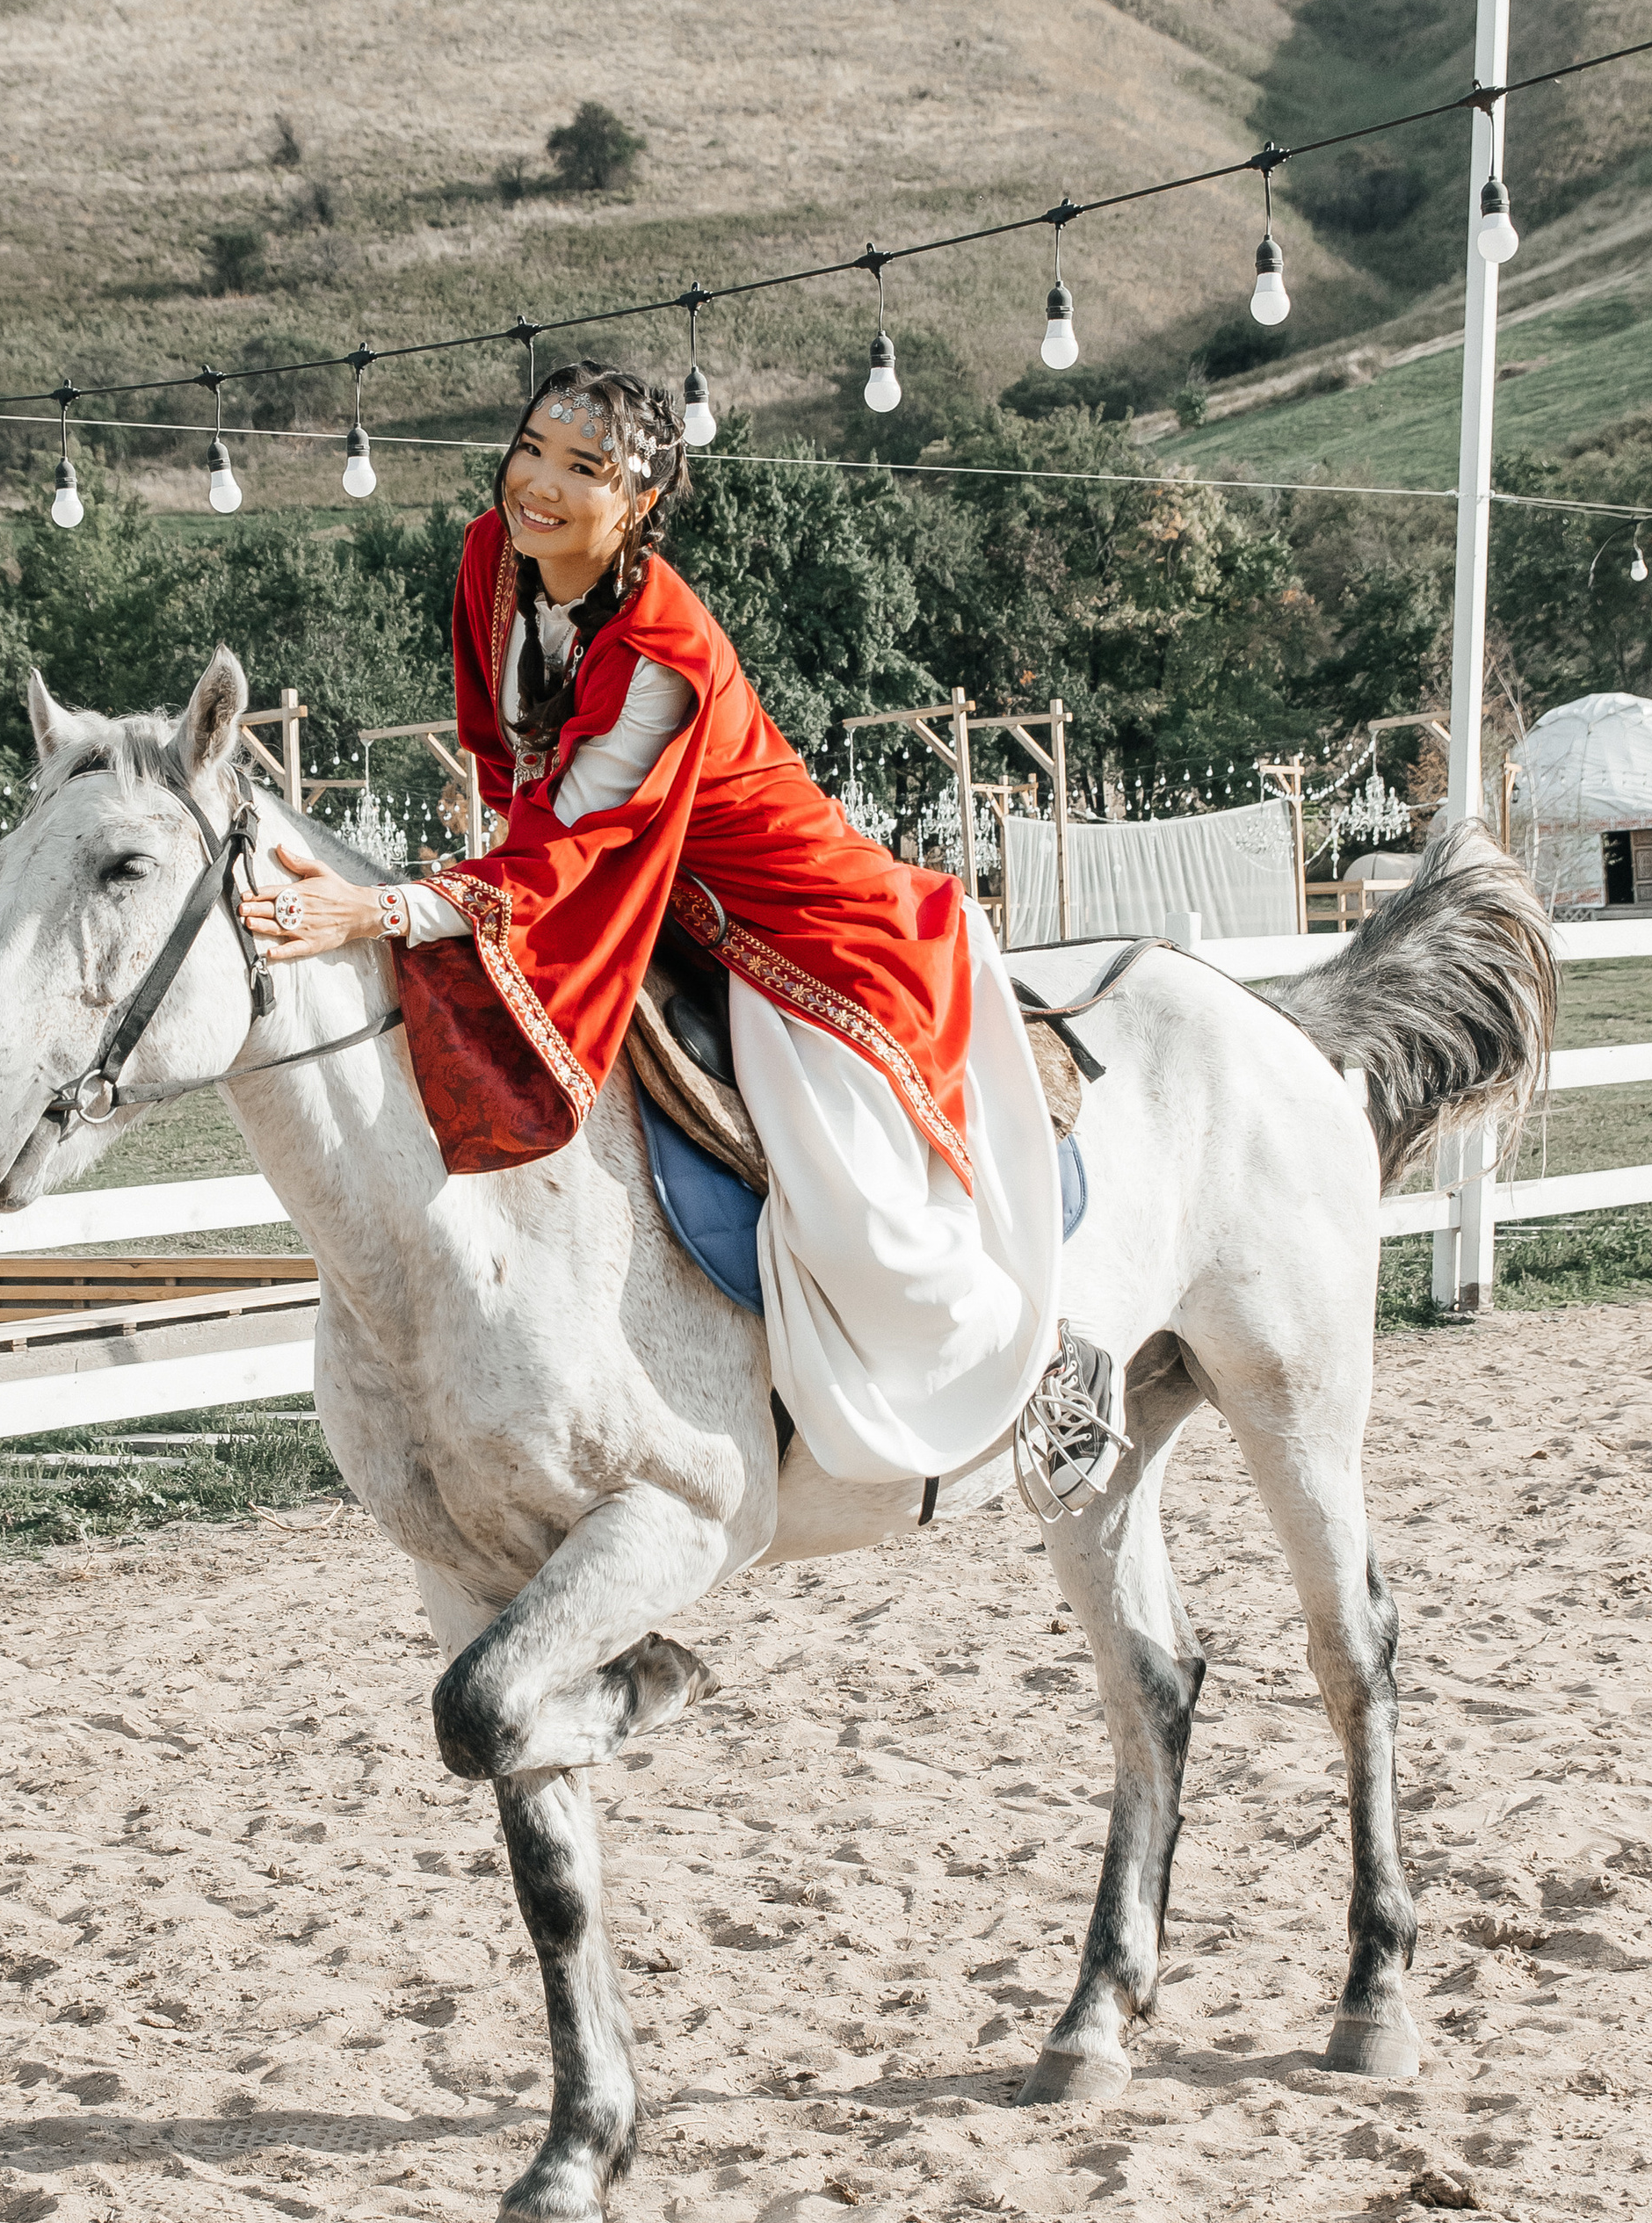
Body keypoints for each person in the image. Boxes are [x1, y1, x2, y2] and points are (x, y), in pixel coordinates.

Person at [243, 361, 1121, 1508]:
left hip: (783, 914)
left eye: (585, 469)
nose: (541, 486)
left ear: (642, 502)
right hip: (628, 885)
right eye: (534, 449)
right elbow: (509, 764)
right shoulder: (487, 562)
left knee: (849, 1198)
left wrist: (382, 909)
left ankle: (1042, 1360)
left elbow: (568, 838)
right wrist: (449, 894)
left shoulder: (666, 656)